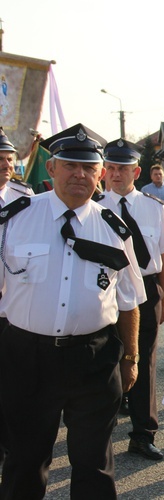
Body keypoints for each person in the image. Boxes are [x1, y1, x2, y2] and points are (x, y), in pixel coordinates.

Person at [0, 124, 145, 498]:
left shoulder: (115, 229)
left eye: (88, 167)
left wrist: (131, 357)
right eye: (69, 165)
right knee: (25, 461)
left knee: (94, 465)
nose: (79, 174)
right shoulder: (14, 219)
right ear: (51, 169)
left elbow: (129, 300)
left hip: (93, 359)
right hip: (26, 356)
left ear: (100, 173)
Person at [97, 139, 164, 461]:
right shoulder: (94, 207)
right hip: (104, 287)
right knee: (104, 358)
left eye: (123, 169)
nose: (116, 175)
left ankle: (143, 433)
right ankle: (99, 427)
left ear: (137, 171)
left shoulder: (153, 207)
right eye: (112, 168)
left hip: (146, 290)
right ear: (105, 171)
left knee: (143, 360)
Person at [0, 128, 34, 468]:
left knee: (13, 380)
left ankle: (11, 443)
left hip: (14, 302)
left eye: (9, 160)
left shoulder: (25, 197)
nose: (6, 165)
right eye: (0, 160)